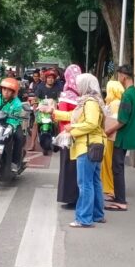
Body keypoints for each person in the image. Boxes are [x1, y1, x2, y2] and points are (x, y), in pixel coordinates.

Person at [44, 73, 106, 227]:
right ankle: (97, 214)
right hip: (94, 145)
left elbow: (90, 124)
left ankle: (84, 218)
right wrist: (53, 113)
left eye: (79, 84)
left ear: (86, 85)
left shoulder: (90, 102)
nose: (77, 87)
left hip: (87, 146)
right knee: (95, 182)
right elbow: (74, 115)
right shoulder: (90, 101)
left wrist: (73, 128)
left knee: (85, 184)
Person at [104, 65, 135, 211]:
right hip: (128, 134)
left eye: (119, 76)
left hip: (123, 136)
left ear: (123, 76)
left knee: (117, 166)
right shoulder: (134, 93)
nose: (118, 79)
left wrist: (108, 131)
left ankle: (120, 200)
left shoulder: (127, 95)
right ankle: (118, 196)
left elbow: (122, 120)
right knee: (118, 166)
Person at [56, 64, 82, 208]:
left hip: (67, 136)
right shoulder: (82, 95)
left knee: (67, 167)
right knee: (77, 168)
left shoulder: (66, 95)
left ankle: (69, 198)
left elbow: (62, 118)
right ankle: (77, 197)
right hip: (81, 135)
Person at [101, 80, 125, 198]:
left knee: (109, 162)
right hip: (112, 136)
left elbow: (114, 120)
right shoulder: (117, 102)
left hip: (111, 136)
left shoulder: (115, 104)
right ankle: (109, 187)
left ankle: (109, 188)